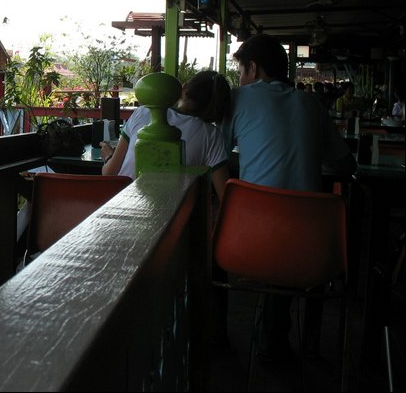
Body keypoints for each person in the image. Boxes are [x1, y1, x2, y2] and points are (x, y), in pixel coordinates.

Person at [221, 33, 356, 361]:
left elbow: (217, 154)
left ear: (253, 68)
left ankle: (217, 343)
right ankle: (286, 339)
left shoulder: (238, 99)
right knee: (289, 237)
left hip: (243, 245)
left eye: (240, 70)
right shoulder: (311, 103)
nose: (240, 78)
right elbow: (345, 164)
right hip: (314, 247)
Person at [101, 70, 232, 200]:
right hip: (173, 216)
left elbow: (109, 174)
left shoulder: (142, 113)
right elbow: (225, 197)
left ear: (184, 89)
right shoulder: (211, 135)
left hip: (119, 206)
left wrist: (109, 157)